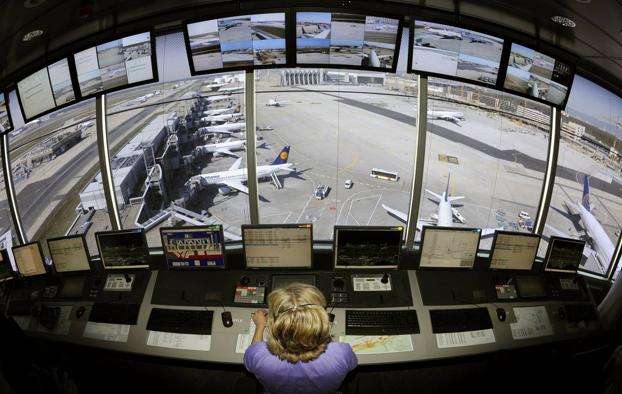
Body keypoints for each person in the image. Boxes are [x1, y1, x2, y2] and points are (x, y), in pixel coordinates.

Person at [244, 283, 358, 394]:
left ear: (274, 325)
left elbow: (253, 352)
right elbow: (352, 365)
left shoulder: (259, 356)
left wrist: (259, 326)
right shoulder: (341, 353)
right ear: (322, 322)